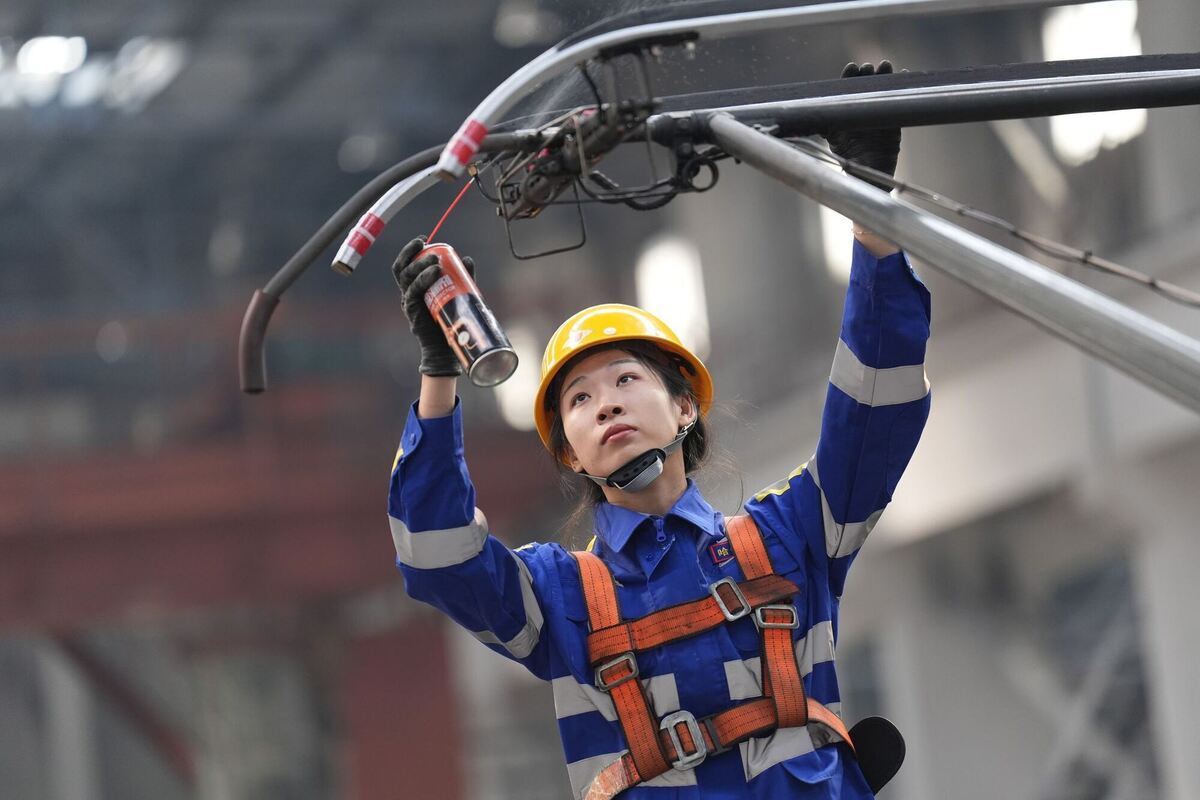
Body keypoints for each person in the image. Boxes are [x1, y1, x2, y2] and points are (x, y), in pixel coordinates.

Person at [388, 61, 930, 800]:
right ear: (569, 453)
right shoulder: (559, 598)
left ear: (685, 408)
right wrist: (438, 374)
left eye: (626, 380)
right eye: (578, 399)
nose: (604, 404)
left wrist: (871, 209)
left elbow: (876, 408)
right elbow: (437, 557)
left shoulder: (793, 535)